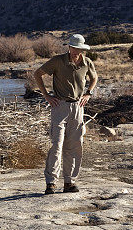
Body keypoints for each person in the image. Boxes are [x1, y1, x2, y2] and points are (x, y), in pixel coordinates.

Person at [34, 33, 98, 194]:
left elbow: (94, 78)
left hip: (78, 108)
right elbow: (37, 74)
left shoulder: (86, 62)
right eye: (74, 48)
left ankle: (69, 182)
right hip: (59, 107)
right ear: (69, 47)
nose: (76, 51)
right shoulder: (57, 61)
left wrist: (88, 93)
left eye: (79, 49)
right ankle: (51, 183)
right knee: (57, 145)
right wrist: (47, 96)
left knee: (75, 145)